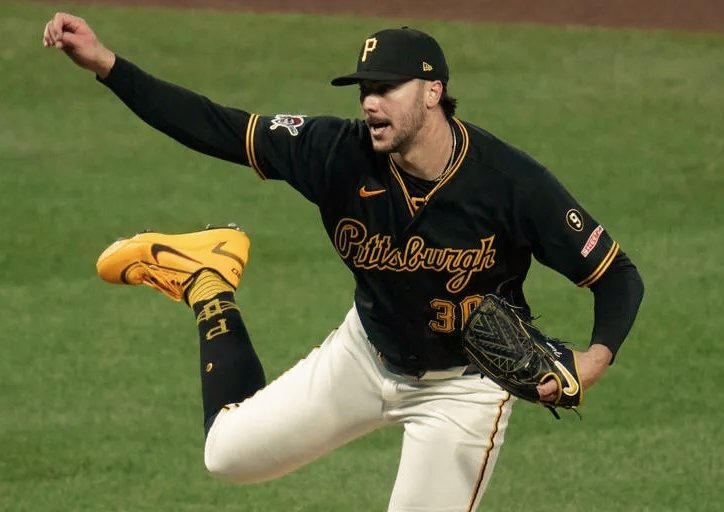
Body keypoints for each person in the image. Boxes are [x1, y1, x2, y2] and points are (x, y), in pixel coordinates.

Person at [43, 12, 644, 511]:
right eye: (364, 90)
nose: (371, 103)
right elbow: (218, 127)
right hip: (365, 353)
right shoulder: (335, 152)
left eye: (386, 88)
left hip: (461, 393)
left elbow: (617, 277)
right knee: (227, 455)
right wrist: (107, 65)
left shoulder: (511, 183)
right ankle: (208, 282)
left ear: (433, 92)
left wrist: (593, 361)